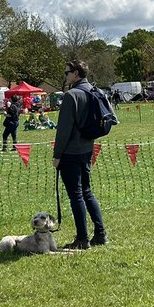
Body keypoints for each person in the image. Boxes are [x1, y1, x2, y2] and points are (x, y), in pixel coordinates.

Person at [53, 60, 107, 251]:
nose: (65, 76)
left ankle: (82, 239)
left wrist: (57, 155)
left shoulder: (71, 96)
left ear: (76, 73)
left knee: (76, 195)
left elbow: (64, 130)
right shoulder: (95, 91)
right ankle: (100, 234)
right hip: (87, 148)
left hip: (70, 151)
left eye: (67, 72)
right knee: (87, 191)